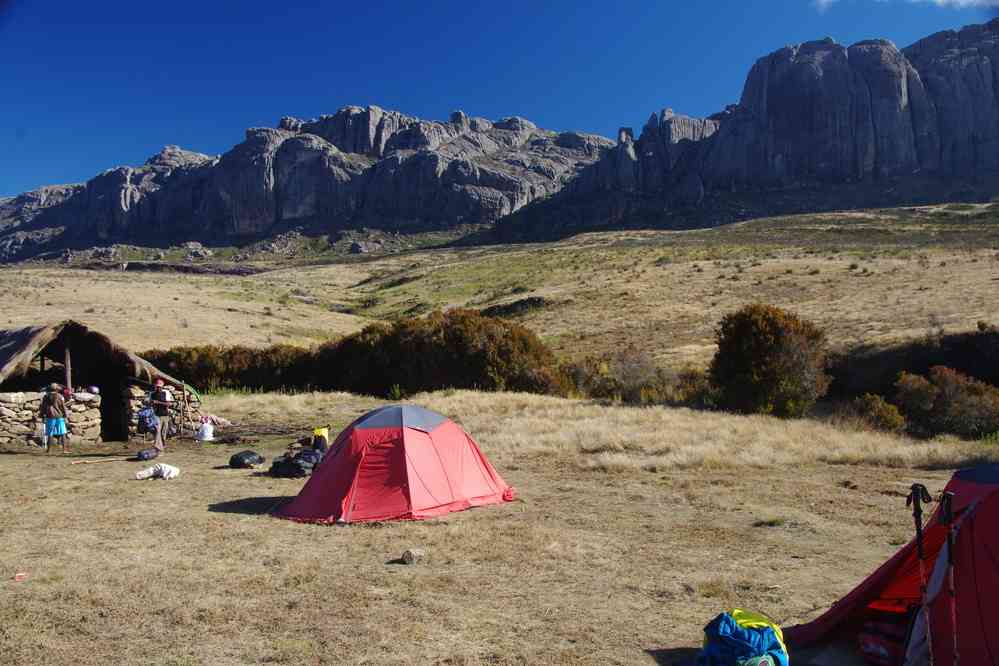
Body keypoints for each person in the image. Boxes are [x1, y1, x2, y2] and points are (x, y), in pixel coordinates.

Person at [40, 383, 69, 454]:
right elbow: (62, 407)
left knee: (50, 433)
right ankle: (64, 449)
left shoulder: (45, 397)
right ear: (56, 389)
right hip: (59, 416)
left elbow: (43, 407)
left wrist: (42, 415)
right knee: (63, 433)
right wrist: (65, 415)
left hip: (49, 416)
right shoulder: (60, 396)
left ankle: (49, 450)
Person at [148, 378, 174, 451]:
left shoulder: (166, 393)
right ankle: (157, 446)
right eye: (157, 386)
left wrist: (158, 402)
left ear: (162, 386)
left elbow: (168, 404)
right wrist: (151, 403)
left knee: (163, 432)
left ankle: (162, 445)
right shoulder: (152, 394)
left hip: (164, 414)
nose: (158, 388)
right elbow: (149, 403)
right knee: (157, 431)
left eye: (160, 387)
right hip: (156, 415)